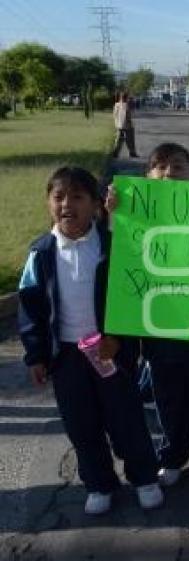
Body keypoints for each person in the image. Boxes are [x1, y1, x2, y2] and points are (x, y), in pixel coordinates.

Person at [18, 167, 162, 516]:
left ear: (97, 205)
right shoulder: (41, 253)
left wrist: (118, 338)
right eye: (59, 197)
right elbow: (30, 306)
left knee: (125, 418)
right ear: (48, 203)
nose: (67, 204)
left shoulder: (112, 246)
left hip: (110, 350)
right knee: (81, 424)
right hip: (66, 357)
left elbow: (131, 295)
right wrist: (36, 355)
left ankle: (144, 477)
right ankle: (99, 483)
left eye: (78, 197)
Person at [105, 144, 189, 489]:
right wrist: (115, 215)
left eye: (177, 166)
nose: (168, 172)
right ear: (147, 176)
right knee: (168, 396)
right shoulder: (133, 217)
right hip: (158, 327)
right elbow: (117, 264)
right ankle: (172, 455)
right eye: (159, 166)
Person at [113, 92, 139, 158]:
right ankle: (132, 152)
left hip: (119, 125)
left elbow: (114, 115)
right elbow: (128, 115)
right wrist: (130, 123)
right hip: (127, 125)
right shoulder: (126, 105)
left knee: (118, 139)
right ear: (126, 98)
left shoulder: (116, 105)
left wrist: (116, 122)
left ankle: (115, 152)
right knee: (130, 139)